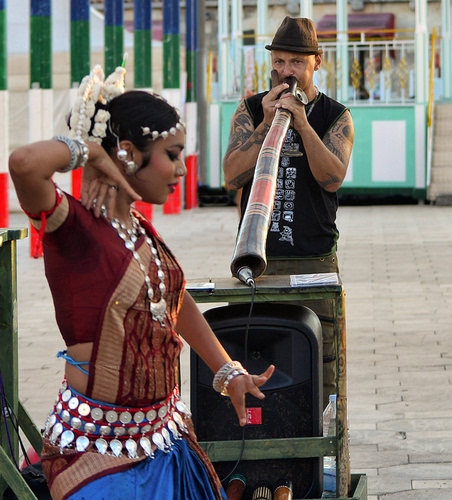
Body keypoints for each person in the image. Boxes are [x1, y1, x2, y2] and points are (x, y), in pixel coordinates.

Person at [9, 64, 274, 500]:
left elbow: (174, 300)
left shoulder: (136, 227)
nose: (182, 169)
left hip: (165, 442)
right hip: (97, 458)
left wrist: (228, 371)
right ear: (128, 152)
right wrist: (93, 153)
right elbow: (23, 164)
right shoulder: (73, 227)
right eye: (173, 154)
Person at [223, 17, 354, 408]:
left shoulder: (335, 115)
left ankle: (324, 439)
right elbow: (232, 175)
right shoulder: (250, 109)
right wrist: (266, 122)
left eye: (296, 62)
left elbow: (332, 178)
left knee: (321, 364)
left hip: (314, 257)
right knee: (254, 359)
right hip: (257, 259)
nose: (286, 71)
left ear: (317, 62)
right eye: (279, 62)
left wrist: (302, 124)